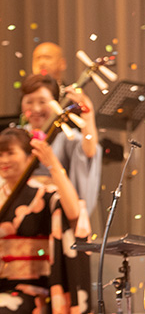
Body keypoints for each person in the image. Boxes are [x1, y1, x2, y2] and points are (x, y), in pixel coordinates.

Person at [0, 126, 89, 313]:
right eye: (0, 154)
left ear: (29, 157)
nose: (3, 160)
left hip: (34, 290)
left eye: (10, 153)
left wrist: (53, 165)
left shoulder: (45, 194)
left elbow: (73, 213)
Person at [20, 74, 101, 215]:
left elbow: (89, 151)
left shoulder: (66, 136)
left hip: (54, 209)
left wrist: (88, 114)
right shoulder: (17, 136)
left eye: (43, 102)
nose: (36, 108)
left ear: (56, 103)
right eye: (29, 102)